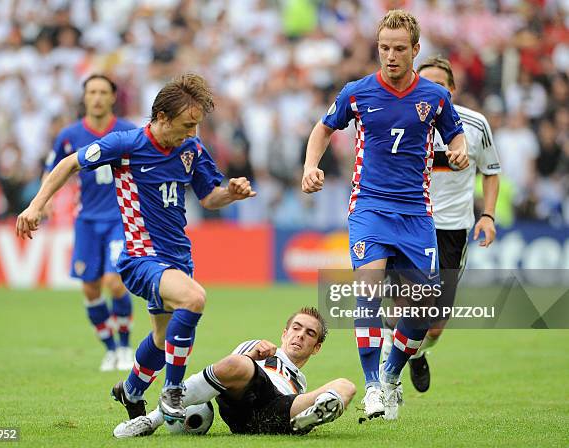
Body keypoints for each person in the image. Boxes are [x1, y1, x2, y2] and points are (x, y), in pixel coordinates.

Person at [16, 73, 257, 424]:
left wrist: (230, 194)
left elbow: (209, 198)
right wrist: (36, 206)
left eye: (197, 126)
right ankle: (174, 391)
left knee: (162, 338)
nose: (192, 133)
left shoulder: (191, 149)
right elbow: (69, 163)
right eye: (187, 125)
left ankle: (129, 389)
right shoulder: (125, 145)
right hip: (141, 255)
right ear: (161, 117)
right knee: (194, 299)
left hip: (178, 256)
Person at [302, 10, 468, 421]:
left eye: (398, 49)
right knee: (369, 286)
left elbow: (456, 133)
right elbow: (323, 128)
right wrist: (310, 165)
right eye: (383, 48)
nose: (390, 56)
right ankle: (372, 386)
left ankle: (392, 374)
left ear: (415, 50)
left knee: (423, 308)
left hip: (416, 214)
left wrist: (460, 148)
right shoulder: (358, 92)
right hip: (370, 206)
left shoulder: (435, 97)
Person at [396, 55, 501, 392]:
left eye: (440, 84)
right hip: (409, 225)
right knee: (406, 309)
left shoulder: (475, 124)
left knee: (435, 327)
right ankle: (387, 379)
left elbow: (491, 171)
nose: (432, 90)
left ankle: (416, 354)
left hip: (452, 231)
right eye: (425, 83)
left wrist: (488, 215)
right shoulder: (403, 119)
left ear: (451, 89)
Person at [112, 307, 356, 437]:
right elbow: (228, 370)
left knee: (347, 385)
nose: (300, 335)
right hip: (245, 402)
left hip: (282, 410)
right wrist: (254, 355)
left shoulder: (299, 382)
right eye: (296, 328)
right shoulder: (261, 348)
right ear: (284, 333)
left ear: (316, 348)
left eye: (310, 334)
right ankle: (149, 420)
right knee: (240, 364)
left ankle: (311, 416)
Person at [44, 74, 137, 372]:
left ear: (113, 97)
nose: (96, 97)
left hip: (119, 219)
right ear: (84, 97)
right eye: (91, 92)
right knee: (90, 289)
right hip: (86, 221)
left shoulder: (128, 132)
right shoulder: (69, 135)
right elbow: (53, 170)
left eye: (102, 92)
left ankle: (125, 347)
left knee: (114, 282)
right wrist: (42, 201)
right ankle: (110, 349)